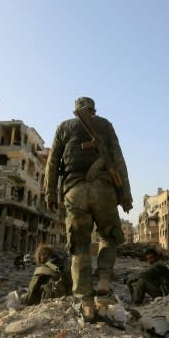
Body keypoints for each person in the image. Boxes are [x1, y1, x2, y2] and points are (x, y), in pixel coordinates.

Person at [44, 97, 133, 323]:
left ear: (75, 112)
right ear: (94, 111)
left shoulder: (64, 127)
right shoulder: (105, 125)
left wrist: (50, 193)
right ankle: (103, 282)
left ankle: (86, 302)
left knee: (80, 246)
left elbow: (52, 162)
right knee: (107, 236)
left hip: (74, 192)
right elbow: (119, 160)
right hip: (104, 190)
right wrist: (126, 195)